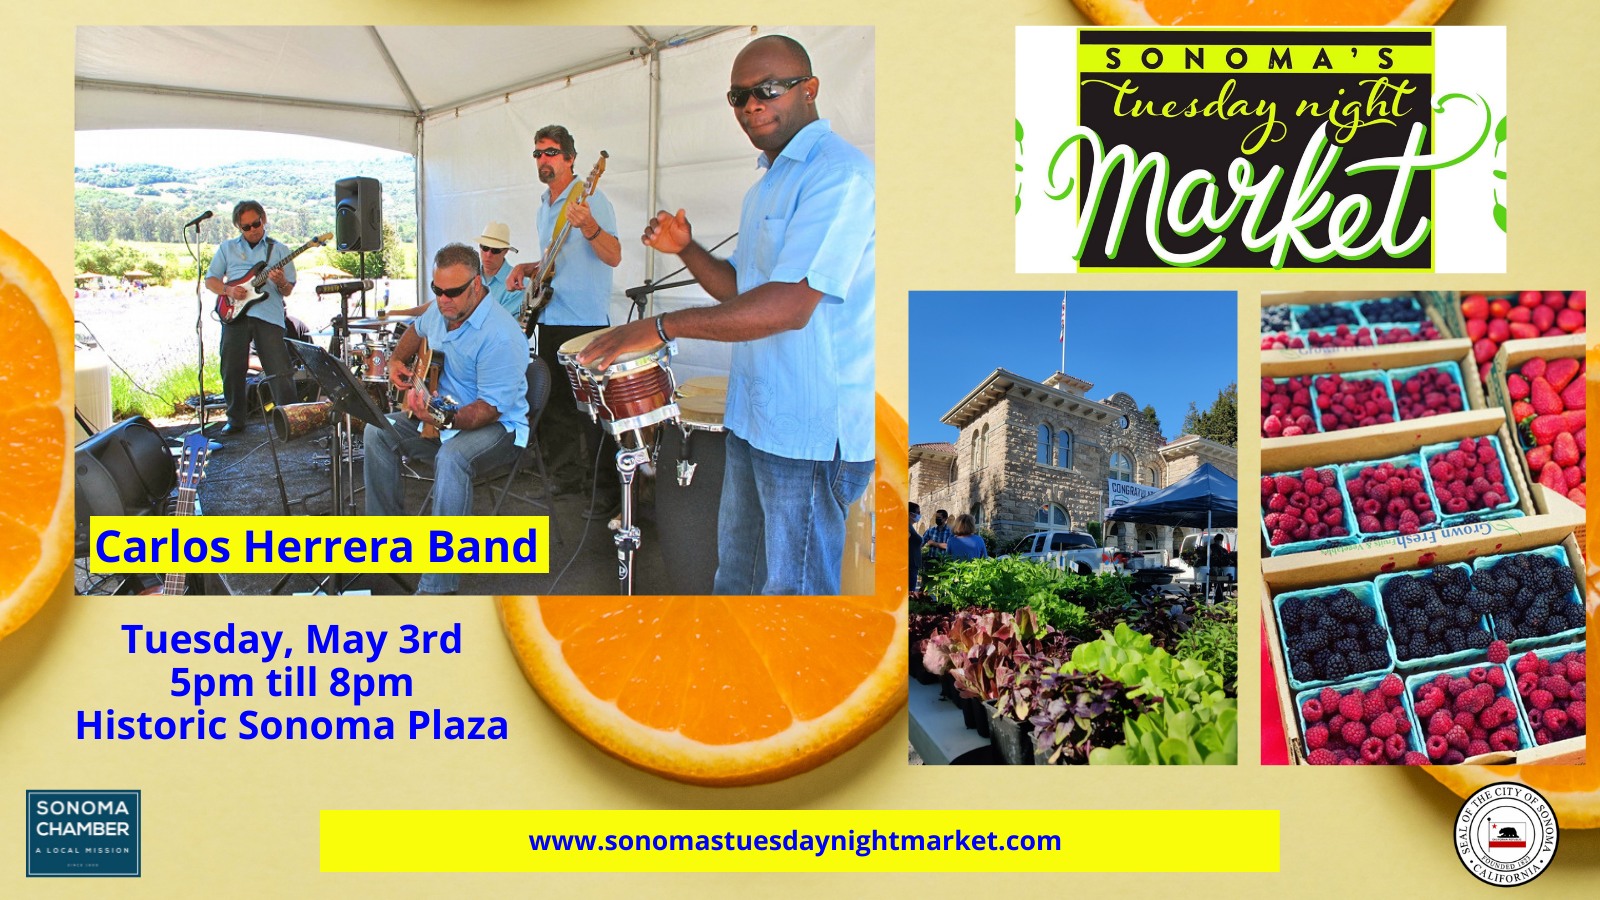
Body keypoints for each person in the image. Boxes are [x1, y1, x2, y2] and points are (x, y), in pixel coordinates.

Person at [577, 34, 874, 596]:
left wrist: (659, 326)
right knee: (736, 579)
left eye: (767, 90)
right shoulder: (768, 182)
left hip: (807, 434)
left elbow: (789, 306)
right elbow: (741, 288)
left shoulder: (839, 176)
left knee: (793, 599)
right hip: (754, 419)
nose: (752, 106)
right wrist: (687, 248)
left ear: (809, 90)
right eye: (738, 97)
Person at [363, 243, 529, 595]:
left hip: (498, 429)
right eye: (437, 290)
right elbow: (416, 331)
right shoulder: (442, 311)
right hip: (439, 415)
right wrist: (396, 361)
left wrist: (438, 417)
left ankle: (438, 586)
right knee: (377, 430)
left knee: (452, 458)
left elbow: (486, 410)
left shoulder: (502, 335)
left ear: (477, 286)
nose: (442, 300)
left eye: (452, 292)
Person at [505, 124, 623, 519]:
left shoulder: (592, 198)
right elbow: (558, 262)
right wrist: (527, 267)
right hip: (551, 316)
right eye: (538, 153)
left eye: (551, 152)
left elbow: (614, 255)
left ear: (571, 158)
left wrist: (589, 226)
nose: (543, 160)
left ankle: (606, 491)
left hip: (585, 322)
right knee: (554, 404)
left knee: (592, 412)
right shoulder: (544, 207)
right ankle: (566, 475)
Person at [205, 200, 295, 436]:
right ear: (239, 228)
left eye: (256, 223)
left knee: (279, 368)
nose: (253, 229)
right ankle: (235, 420)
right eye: (246, 227)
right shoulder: (227, 248)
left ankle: (290, 419)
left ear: (263, 220)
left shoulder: (279, 250)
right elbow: (211, 280)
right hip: (234, 314)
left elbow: (288, 290)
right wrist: (228, 291)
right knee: (231, 367)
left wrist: (281, 282)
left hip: (268, 314)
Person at [1208, 532, 1231, 604]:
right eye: (1218, 540)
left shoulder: (1212, 548)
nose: (1219, 542)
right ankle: (1218, 602)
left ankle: (1217, 602)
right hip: (1214, 570)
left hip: (1215, 571)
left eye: (1219, 540)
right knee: (1218, 587)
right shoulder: (1212, 548)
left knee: (1217, 587)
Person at [909, 502, 923, 592]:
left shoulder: (910, 527)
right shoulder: (906, 527)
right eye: (918, 512)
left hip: (912, 565)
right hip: (910, 565)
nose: (919, 515)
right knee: (910, 592)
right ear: (910, 514)